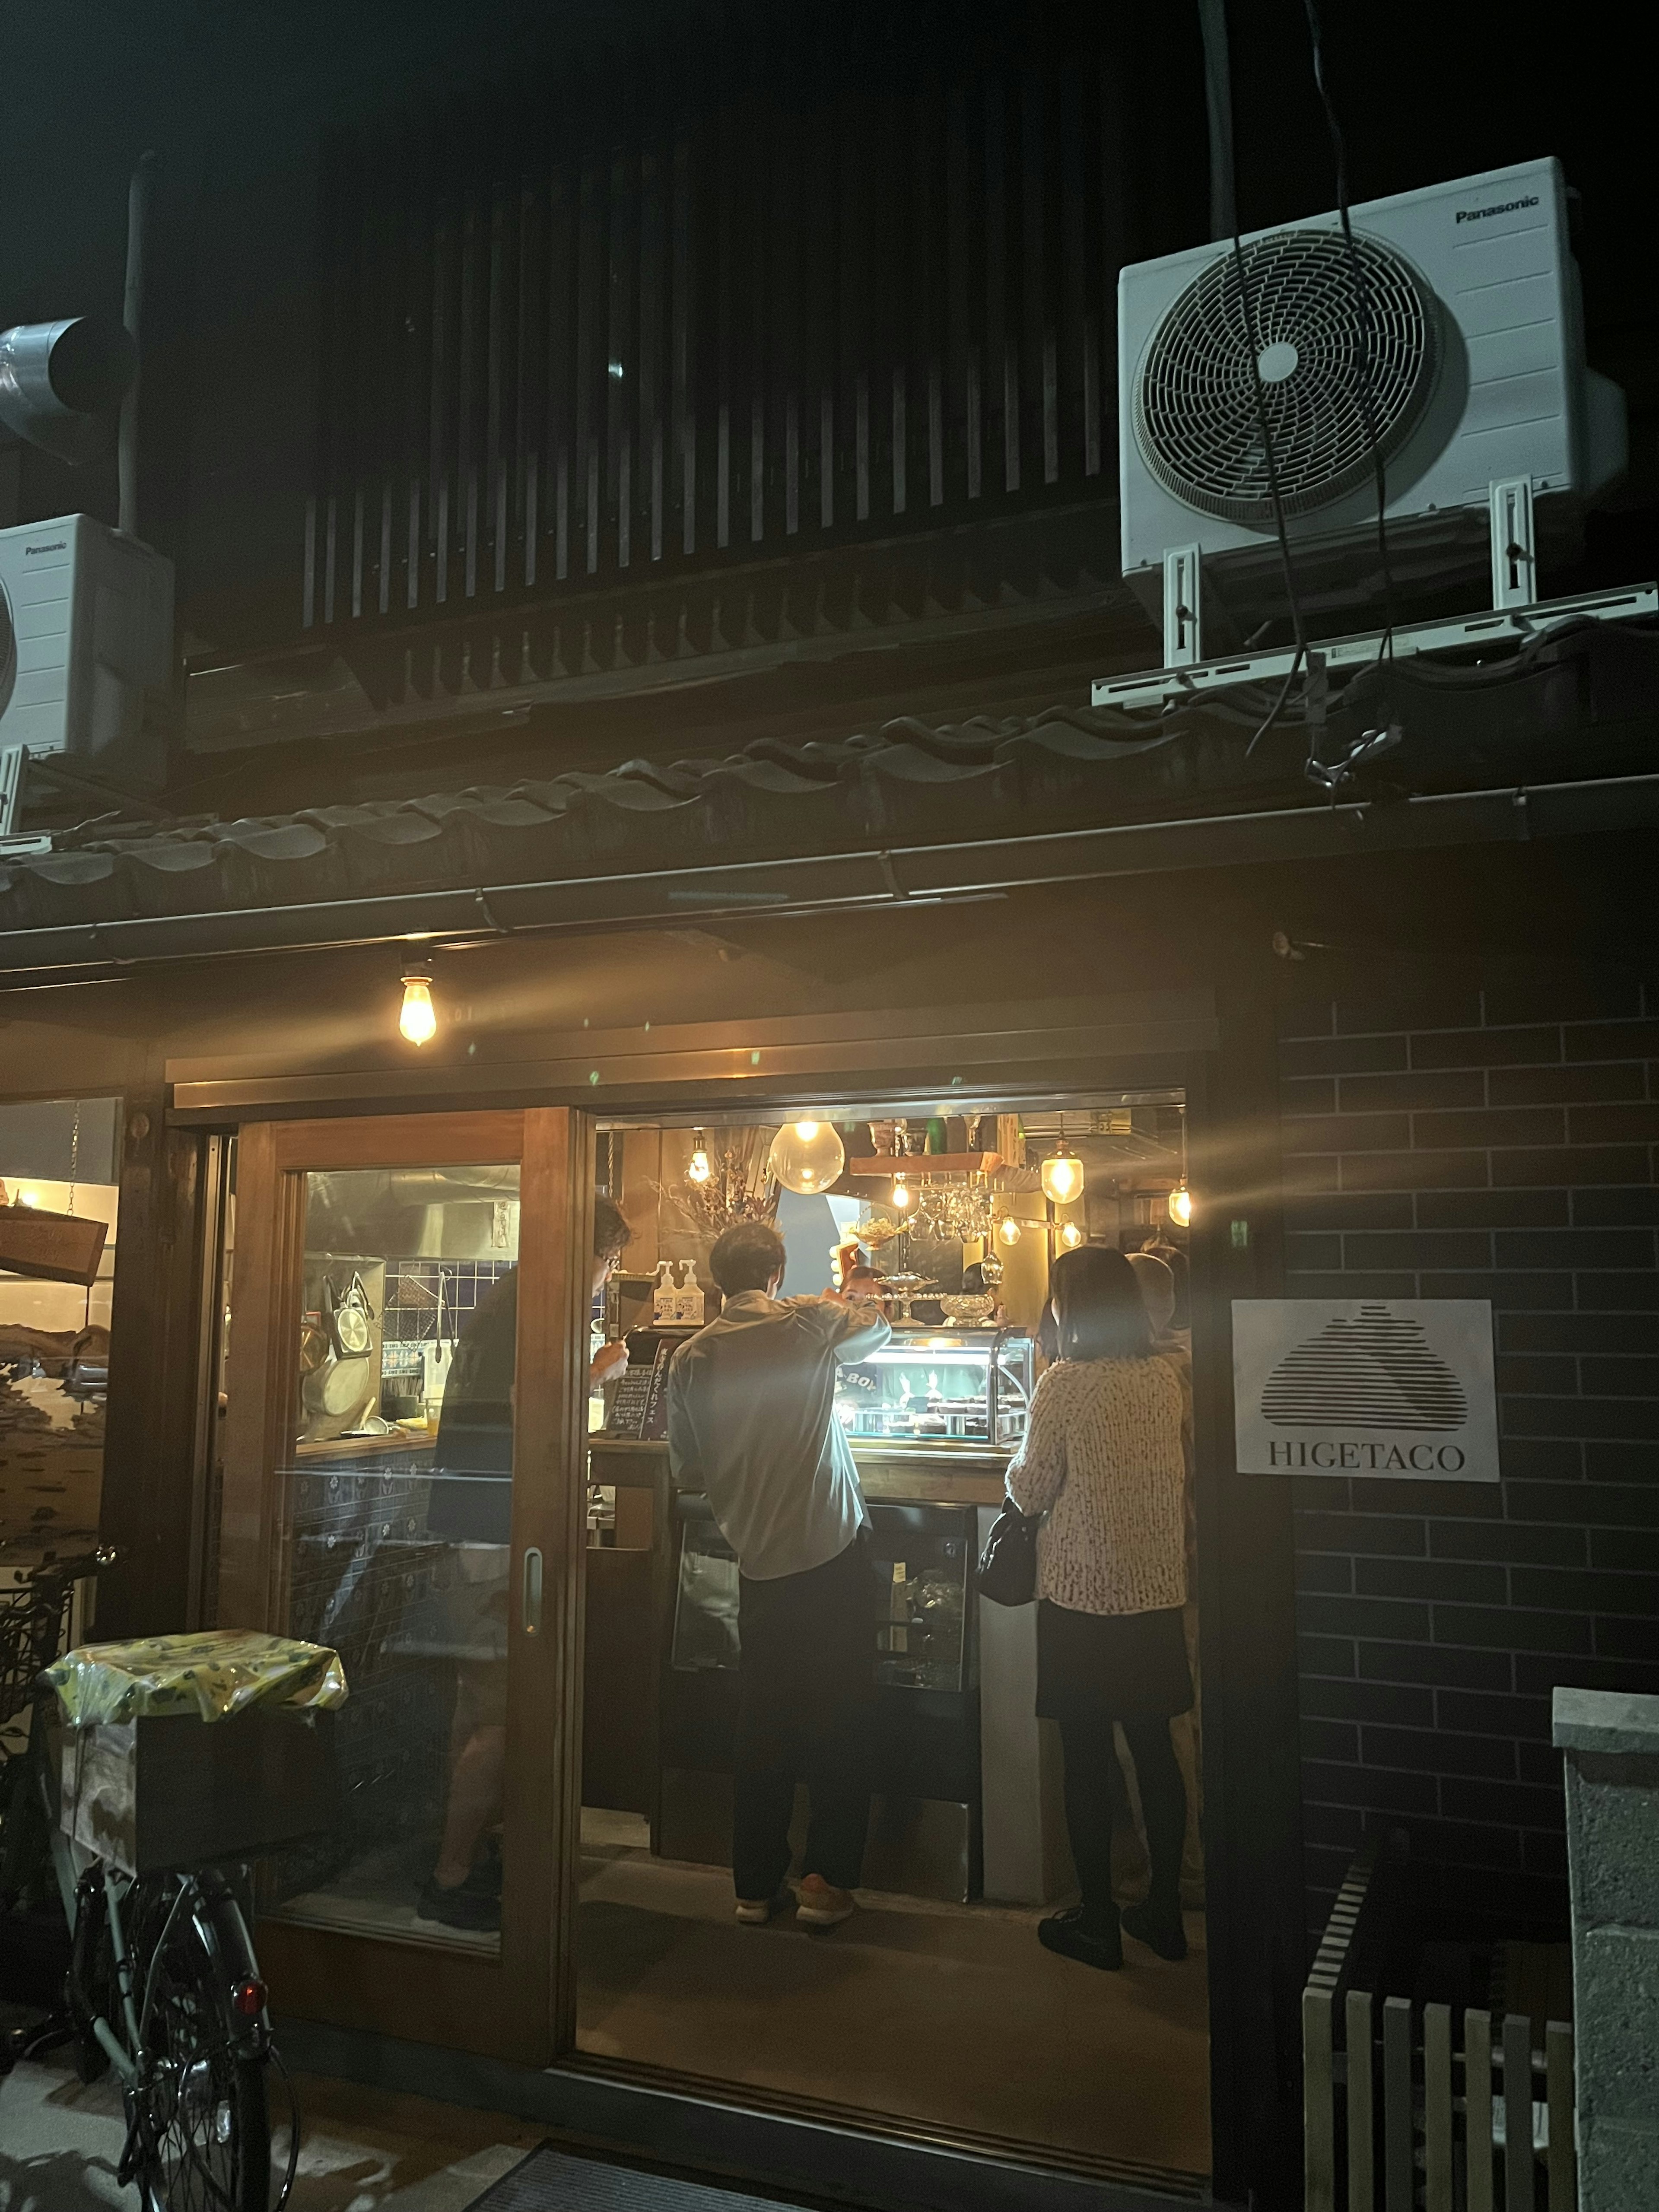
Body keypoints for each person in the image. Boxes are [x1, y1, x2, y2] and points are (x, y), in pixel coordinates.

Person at [666, 1220, 891, 1930]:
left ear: (714, 1282)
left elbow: (689, 1471)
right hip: (829, 1550)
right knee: (840, 1715)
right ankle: (825, 1882)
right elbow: (878, 1331)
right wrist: (857, 1289)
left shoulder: (691, 1357)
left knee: (762, 1720)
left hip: (757, 1560)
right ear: (775, 1275)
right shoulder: (809, 1322)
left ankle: (756, 1887)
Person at [416, 1194, 632, 1931]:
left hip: (476, 1530)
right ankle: (451, 1875)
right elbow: (526, 1407)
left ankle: (471, 1857)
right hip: (498, 1536)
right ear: (585, 1254)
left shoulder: (507, 1302)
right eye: (609, 1262)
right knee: (502, 1715)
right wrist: (597, 1374)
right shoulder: (531, 1311)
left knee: (477, 1707)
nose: (607, 1279)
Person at [1006, 1245, 1191, 1971]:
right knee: (1155, 1751)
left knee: (1085, 1757)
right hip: (1154, 1593)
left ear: (1072, 1306)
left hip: (1083, 1596)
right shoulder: (1163, 1380)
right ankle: (1166, 1914)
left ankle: (1098, 1923)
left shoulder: (1064, 1384)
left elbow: (1030, 1487)